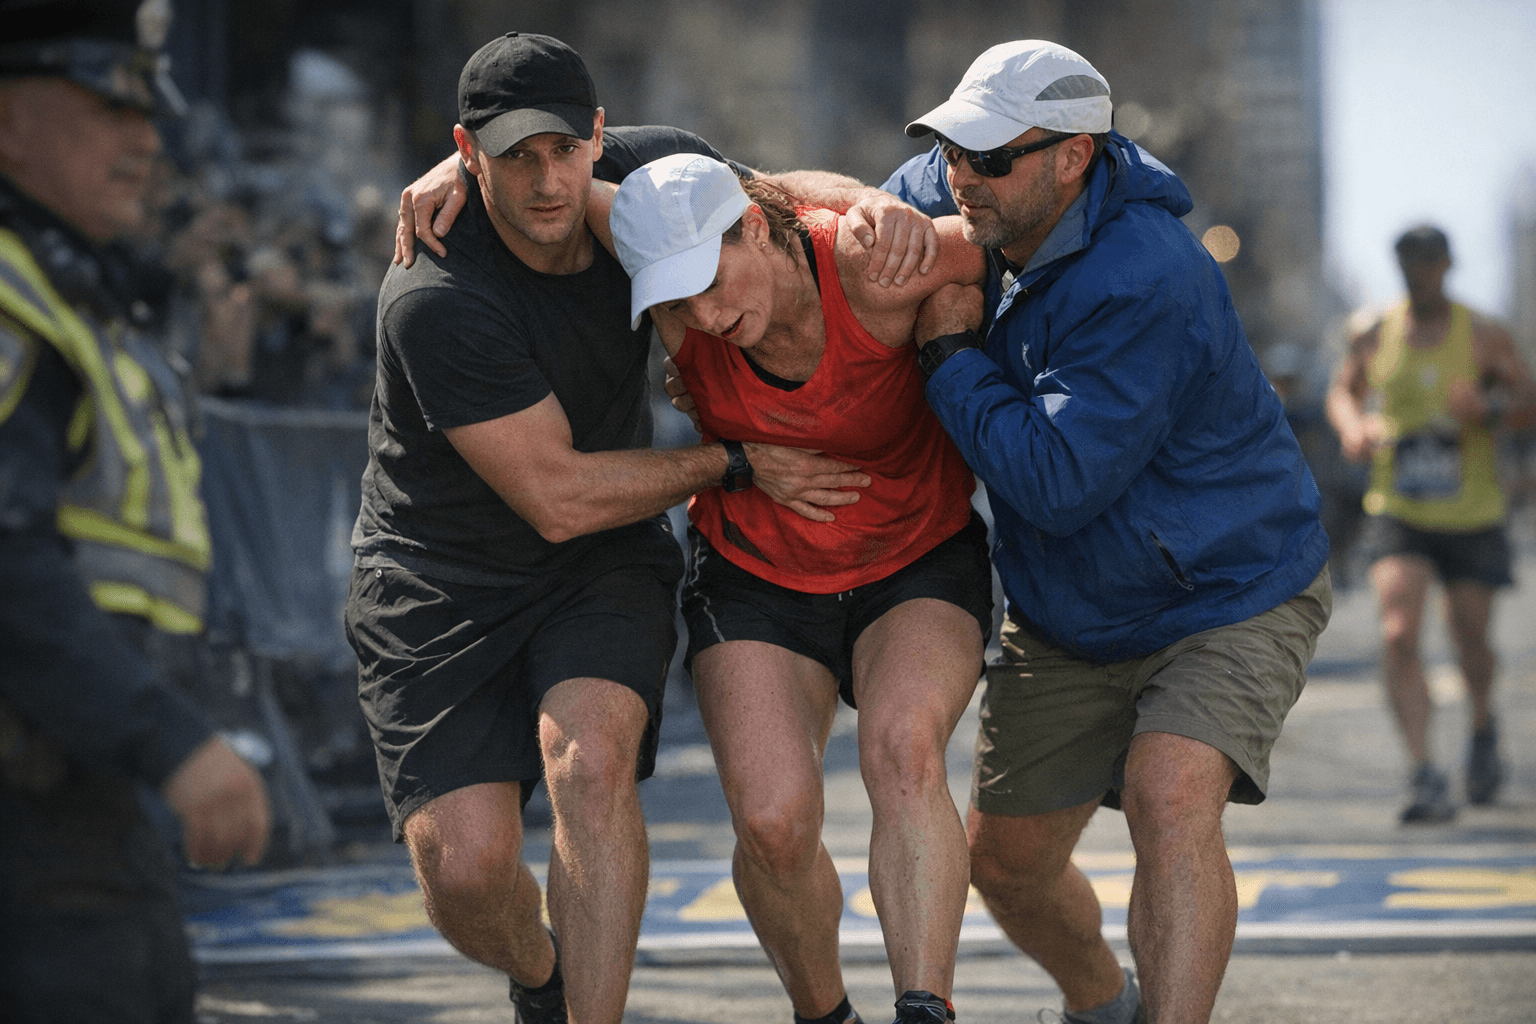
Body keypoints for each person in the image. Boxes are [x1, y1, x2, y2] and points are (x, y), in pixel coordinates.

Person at [349, 33, 929, 1024]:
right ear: (467, 150)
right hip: (440, 575)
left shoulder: (644, 171)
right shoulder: (436, 293)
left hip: (598, 559)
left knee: (591, 758)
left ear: (600, 136)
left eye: (563, 151)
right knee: (467, 868)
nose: (546, 182)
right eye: (512, 157)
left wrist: (870, 203)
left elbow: (776, 193)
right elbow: (555, 493)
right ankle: (543, 976)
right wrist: (733, 463)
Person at [879, 40, 1333, 1024]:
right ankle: (1103, 1003)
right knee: (1004, 865)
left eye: (990, 157)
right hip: (1069, 610)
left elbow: (1054, 482)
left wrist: (951, 354)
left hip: (1227, 587)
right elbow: (822, 216)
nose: (960, 177)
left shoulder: (1147, 276)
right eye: (954, 150)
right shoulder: (969, 189)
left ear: (1075, 156)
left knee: (1169, 793)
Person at [589, 154, 990, 1024]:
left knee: (904, 751)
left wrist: (945, 307)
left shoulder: (864, 261)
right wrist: (450, 175)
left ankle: (926, 1009)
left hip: (914, 556)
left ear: (757, 228)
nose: (703, 315)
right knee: (772, 825)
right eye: (674, 296)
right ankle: (825, 1013)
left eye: (709, 280)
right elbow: (562, 178)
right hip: (757, 574)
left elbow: (1010, 247)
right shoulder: (677, 312)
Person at [0, 1, 272, 1020]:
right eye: (106, 106)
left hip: (83, 786)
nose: (144, 140)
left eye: (144, 110)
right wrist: (170, 740)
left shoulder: (64, 286)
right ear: (7, 121)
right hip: (40, 804)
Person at [1325, 224, 1536, 823]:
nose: (1418, 274)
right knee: (1397, 633)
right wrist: (1352, 427)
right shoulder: (1375, 333)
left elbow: (1528, 398)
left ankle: (1482, 724)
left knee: (1471, 638)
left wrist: (1490, 407)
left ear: (1448, 264)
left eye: (1427, 263)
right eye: (1407, 264)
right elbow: (1344, 391)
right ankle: (1423, 772)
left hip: (1472, 512)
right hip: (1400, 508)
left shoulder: (1484, 334)